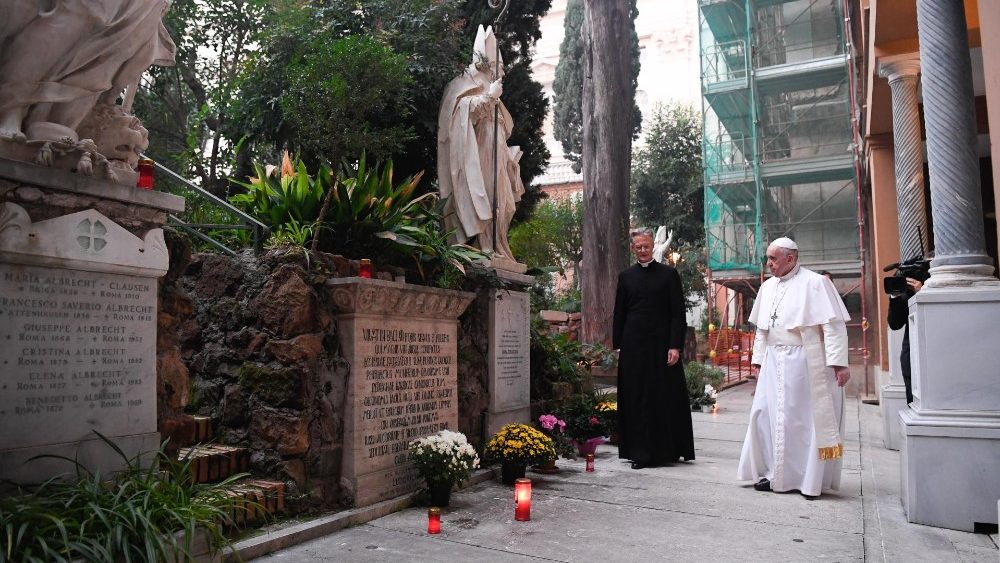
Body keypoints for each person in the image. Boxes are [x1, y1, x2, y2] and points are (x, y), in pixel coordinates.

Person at [737, 237, 851, 499]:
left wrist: (839, 364)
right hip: (773, 362)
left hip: (804, 361)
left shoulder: (816, 283)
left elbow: (833, 327)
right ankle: (770, 474)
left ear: (791, 259)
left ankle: (804, 480)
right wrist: (757, 361)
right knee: (766, 417)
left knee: (798, 422)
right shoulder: (767, 287)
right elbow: (762, 330)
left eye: (773, 259)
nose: (768, 264)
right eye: (768, 258)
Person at [437, 25, 524, 261]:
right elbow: (461, 115)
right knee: (486, 201)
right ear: (488, 64)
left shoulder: (493, 89)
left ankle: (500, 249)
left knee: (506, 205)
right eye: (501, 67)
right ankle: (486, 247)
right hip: (480, 154)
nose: (503, 73)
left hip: (497, 154)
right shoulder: (464, 83)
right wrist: (489, 97)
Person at [613, 228, 695, 469]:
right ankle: (639, 453)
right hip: (633, 346)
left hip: (662, 346)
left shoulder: (669, 275)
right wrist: (618, 345)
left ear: (652, 246)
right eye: (638, 246)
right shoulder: (625, 277)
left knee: (663, 395)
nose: (642, 250)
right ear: (632, 248)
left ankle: (667, 450)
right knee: (637, 397)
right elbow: (619, 313)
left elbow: (678, 314)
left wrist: (675, 346)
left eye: (646, 246)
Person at [887, 276, 923, 404]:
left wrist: (922, 293)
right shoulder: (905, 293)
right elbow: (895, 324)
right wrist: (895, 296)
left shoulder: (926, 285)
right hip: (910, 357)